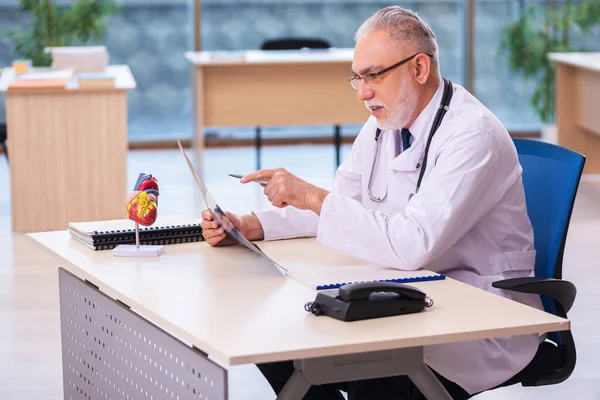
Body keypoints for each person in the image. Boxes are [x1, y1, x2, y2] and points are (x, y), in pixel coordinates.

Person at [201, 6, 543, 400]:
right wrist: (251, 226)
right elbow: (342, 205)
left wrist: (311, 195)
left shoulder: (473, 135)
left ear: (419, 68)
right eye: (358, 78)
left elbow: (411, 243)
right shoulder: (385, 125)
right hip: (410, 293)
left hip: (478, 316)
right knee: (273, 337)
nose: (363, 92)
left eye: (374, 76)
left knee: (374, 373)